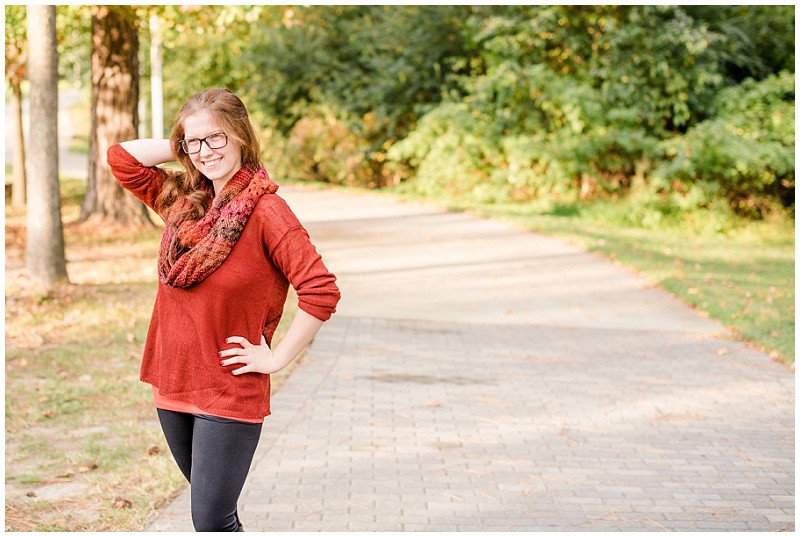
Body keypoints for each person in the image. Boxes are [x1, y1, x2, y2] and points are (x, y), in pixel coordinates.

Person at [107, 87, 341, 532]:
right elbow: (121, 158)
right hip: (172, 382)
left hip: (227, 391)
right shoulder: (185, 203)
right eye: (193, 142)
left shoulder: (268, 211)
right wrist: (181, 146)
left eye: (216, 138)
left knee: (211, 520)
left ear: (240, 137)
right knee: (217, 515)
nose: (204, 151)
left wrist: (275, 358)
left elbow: (320, 290)